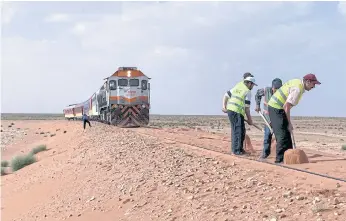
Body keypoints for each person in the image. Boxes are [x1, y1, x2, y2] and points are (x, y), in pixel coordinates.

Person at [267, 74, 321, 163]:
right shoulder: (298, 89)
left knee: (287, 134)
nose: (313, 87)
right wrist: (289, 123)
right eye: (313, 84)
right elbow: (286, 106)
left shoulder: (297, 83)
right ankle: (279, 160)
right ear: (308, 82)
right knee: (282, 136)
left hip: (278, 109)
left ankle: (289, 159)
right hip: (276, 108)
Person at [223, 76, 257, 155]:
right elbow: (247, 108)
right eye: (252, 85)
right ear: (249, 83)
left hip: (233, 111)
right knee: (237, 131)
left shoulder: (238, 86)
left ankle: (240, 149)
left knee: (241, 130)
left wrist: (224, 106)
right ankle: (236, 151)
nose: (252, 87)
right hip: (235, 112)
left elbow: (226, 95)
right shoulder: (247, 92)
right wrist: (250, 120)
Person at [254, 78, 283, 159]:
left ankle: (280, 155)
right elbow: (257, 94)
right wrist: (257, 105)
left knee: (280, 138)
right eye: (275, 89)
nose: (277, 91)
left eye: (279, 89)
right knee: (267, 137)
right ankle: (265, 154)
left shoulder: (283, 93)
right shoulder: (266, 90)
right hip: (268, 119)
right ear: (272, 87)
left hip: (278, 118)